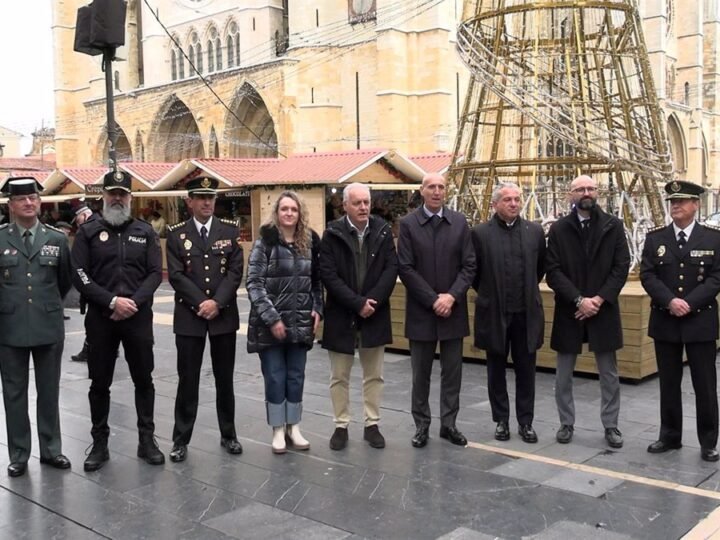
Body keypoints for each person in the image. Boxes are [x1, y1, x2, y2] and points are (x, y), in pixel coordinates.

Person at [71, 170, 164, 471]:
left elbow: (154, 273)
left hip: (137, 318)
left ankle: (146, 440)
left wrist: (132, 302)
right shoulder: (88, 232)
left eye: (122, 194)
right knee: (99, 382)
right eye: (112, 193)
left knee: (143, 380)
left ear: (130, 198)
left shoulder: (145, 231)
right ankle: (99, 444)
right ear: (103, 197)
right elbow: (80, 274)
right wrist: (110, 300)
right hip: (101, 317)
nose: (117, 198)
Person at [546, 174, 630, 448]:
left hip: (602, 310)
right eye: (580, 189)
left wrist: (598, 300)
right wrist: (579, 300)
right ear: (570, 194)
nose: (586, 193)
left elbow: (621, 267)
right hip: (571, 309)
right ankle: (566, 423)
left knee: (609, 374)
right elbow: (553, 271)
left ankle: (611, 425)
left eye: (590, 188)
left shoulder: (613, 226)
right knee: (563, 374)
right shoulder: (559, 229)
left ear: (597, 193)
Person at [640, 180, 720, 462]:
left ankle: (708, 441)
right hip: (666, 319)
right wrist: (670, 301)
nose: (675, 206)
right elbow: (647, 275)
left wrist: (690, 302)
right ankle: (670, 435)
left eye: (682, 201)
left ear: (695, 205)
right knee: (669, 383)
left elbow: (716, 278)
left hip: (700, 321)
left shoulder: (713, 238)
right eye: (672, 201)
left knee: (705, 384)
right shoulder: (656, 238)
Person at [166, 177, 245, 462]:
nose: (207, 203)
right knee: (188, 380)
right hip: (190, 316)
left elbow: (235, 271)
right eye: (200, 198)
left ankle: (229, 434)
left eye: (211, 198)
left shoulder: (229, 230)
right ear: (190, 201)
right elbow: (175, 275)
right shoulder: (176, 234)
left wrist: (217, 302)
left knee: (225, 379)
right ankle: (180, 439)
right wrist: (202, 302)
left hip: (222, 315)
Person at [0, 177, 72, 477]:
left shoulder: (55, 238)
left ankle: (51, 449)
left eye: (33, 198)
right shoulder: (1, 238)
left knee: (48, 391)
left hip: (47, 325)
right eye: (22, 199)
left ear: (40, 202)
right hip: (10, 327)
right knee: (14, 393)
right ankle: (18, 453)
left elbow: (65, 281)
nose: (29, 203)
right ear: (10, 205)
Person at [398, 172, 476, 448]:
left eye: (441, 187)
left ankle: (449, 424)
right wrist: (433, 300)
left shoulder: (459, 223)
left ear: (447, 191)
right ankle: (421, 425)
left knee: (452, 371)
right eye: (431, 186)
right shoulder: (408, 225)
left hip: (453, 310)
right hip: (422, 311)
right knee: (421, 373)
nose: (436, 191)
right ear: (422, 191)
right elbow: (405, 268)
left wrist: (451, 297)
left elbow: (469, 266)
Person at [319, 183, 398, 451]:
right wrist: (357, 303)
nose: (364, 207)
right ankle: (341, 425)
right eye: (357, 203)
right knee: (339, 375)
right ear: (345, 206)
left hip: (375, 312)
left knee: (374, 374)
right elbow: (329, 275)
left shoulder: (383, 231)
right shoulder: (331, 234)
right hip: (342, 314)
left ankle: (371, 424)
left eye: (366, 202)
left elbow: (391, 269)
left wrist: (371, 302)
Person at [246, 191, 323, 454]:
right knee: (275, 377)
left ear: (300, 213)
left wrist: (317, 309)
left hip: (300, 321)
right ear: (277, 213)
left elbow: (316, 282)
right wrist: (272, 318)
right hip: (271, 326)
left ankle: (294, 426)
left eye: (294, 209)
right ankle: (278, 429)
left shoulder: (309, 241)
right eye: (284, 209)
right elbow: (254, 283)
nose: (289, 213)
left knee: (296, 376)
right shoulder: (265, 241)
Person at [471, 182, 546, 443]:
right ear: (495, 204)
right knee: (496, 370)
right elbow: (475, 273)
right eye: (507, 200)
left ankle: (526, 422)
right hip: (495, 313)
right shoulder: (480, 233)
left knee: (526, 370)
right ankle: (501, 420)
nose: (514, 203)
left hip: (526, 313)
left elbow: (541, 269)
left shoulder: (534, 232)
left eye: (517, 199)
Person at [70, 204, 96, 363]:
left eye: (77, 219)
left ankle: (88, 350)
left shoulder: (88, 230)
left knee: (92, 323)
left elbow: (78, 265)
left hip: (95, 287)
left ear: (85, 215)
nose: (77, 223)